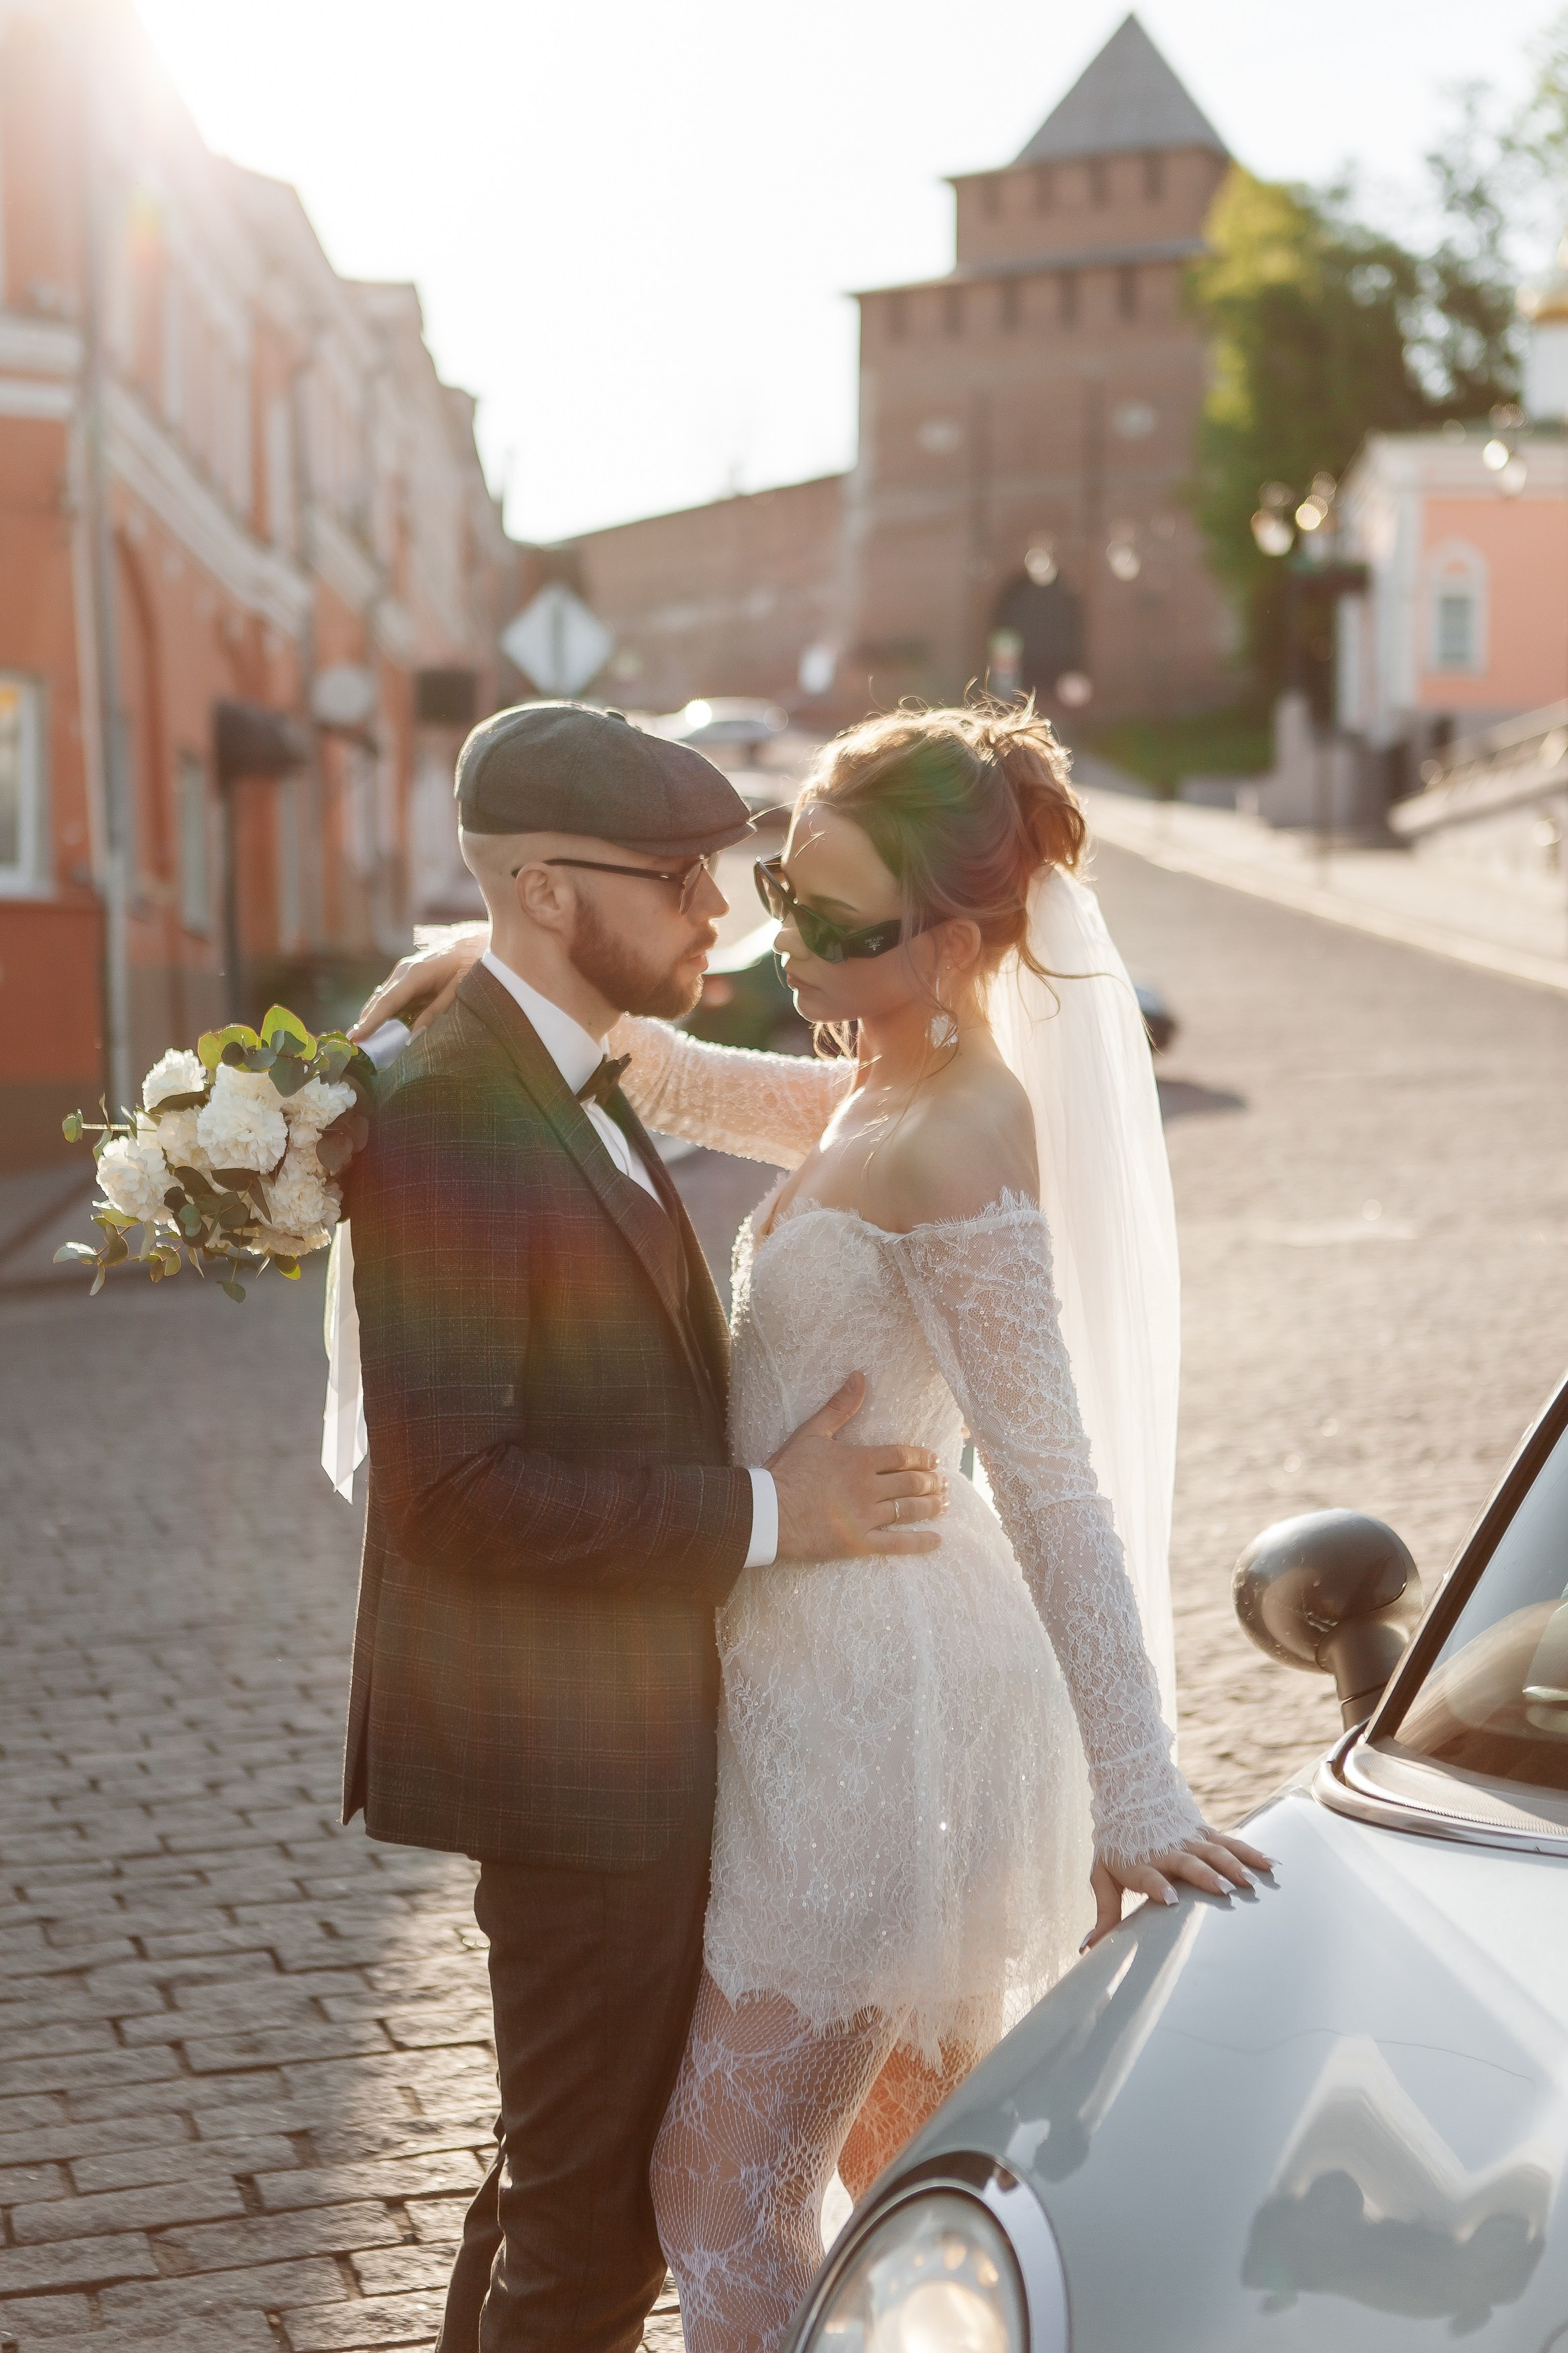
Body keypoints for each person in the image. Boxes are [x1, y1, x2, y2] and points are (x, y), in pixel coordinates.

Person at [356, 701, 1270, 2353]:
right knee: (903, 2162)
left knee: (719, 2197)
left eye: (844, 925)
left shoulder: (964, 1129)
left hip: (876, 1697)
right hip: (790, 1661)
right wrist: (473, 968)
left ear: (959, 936)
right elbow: (679, 1071)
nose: (792, 943)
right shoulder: (869, 1089)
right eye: (790, 896)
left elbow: (1052, 1479)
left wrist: (1136, 1779)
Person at [341, 701, 950, 2353]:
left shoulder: (570, 1058)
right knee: (595, 2250)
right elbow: (453, 1491)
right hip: (571, 1763)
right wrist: (776, 1510)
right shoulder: (459, 1104)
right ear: (545, 890)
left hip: (640, 1737)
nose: (716, 914)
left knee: (570, 2198)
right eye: (682, 879)